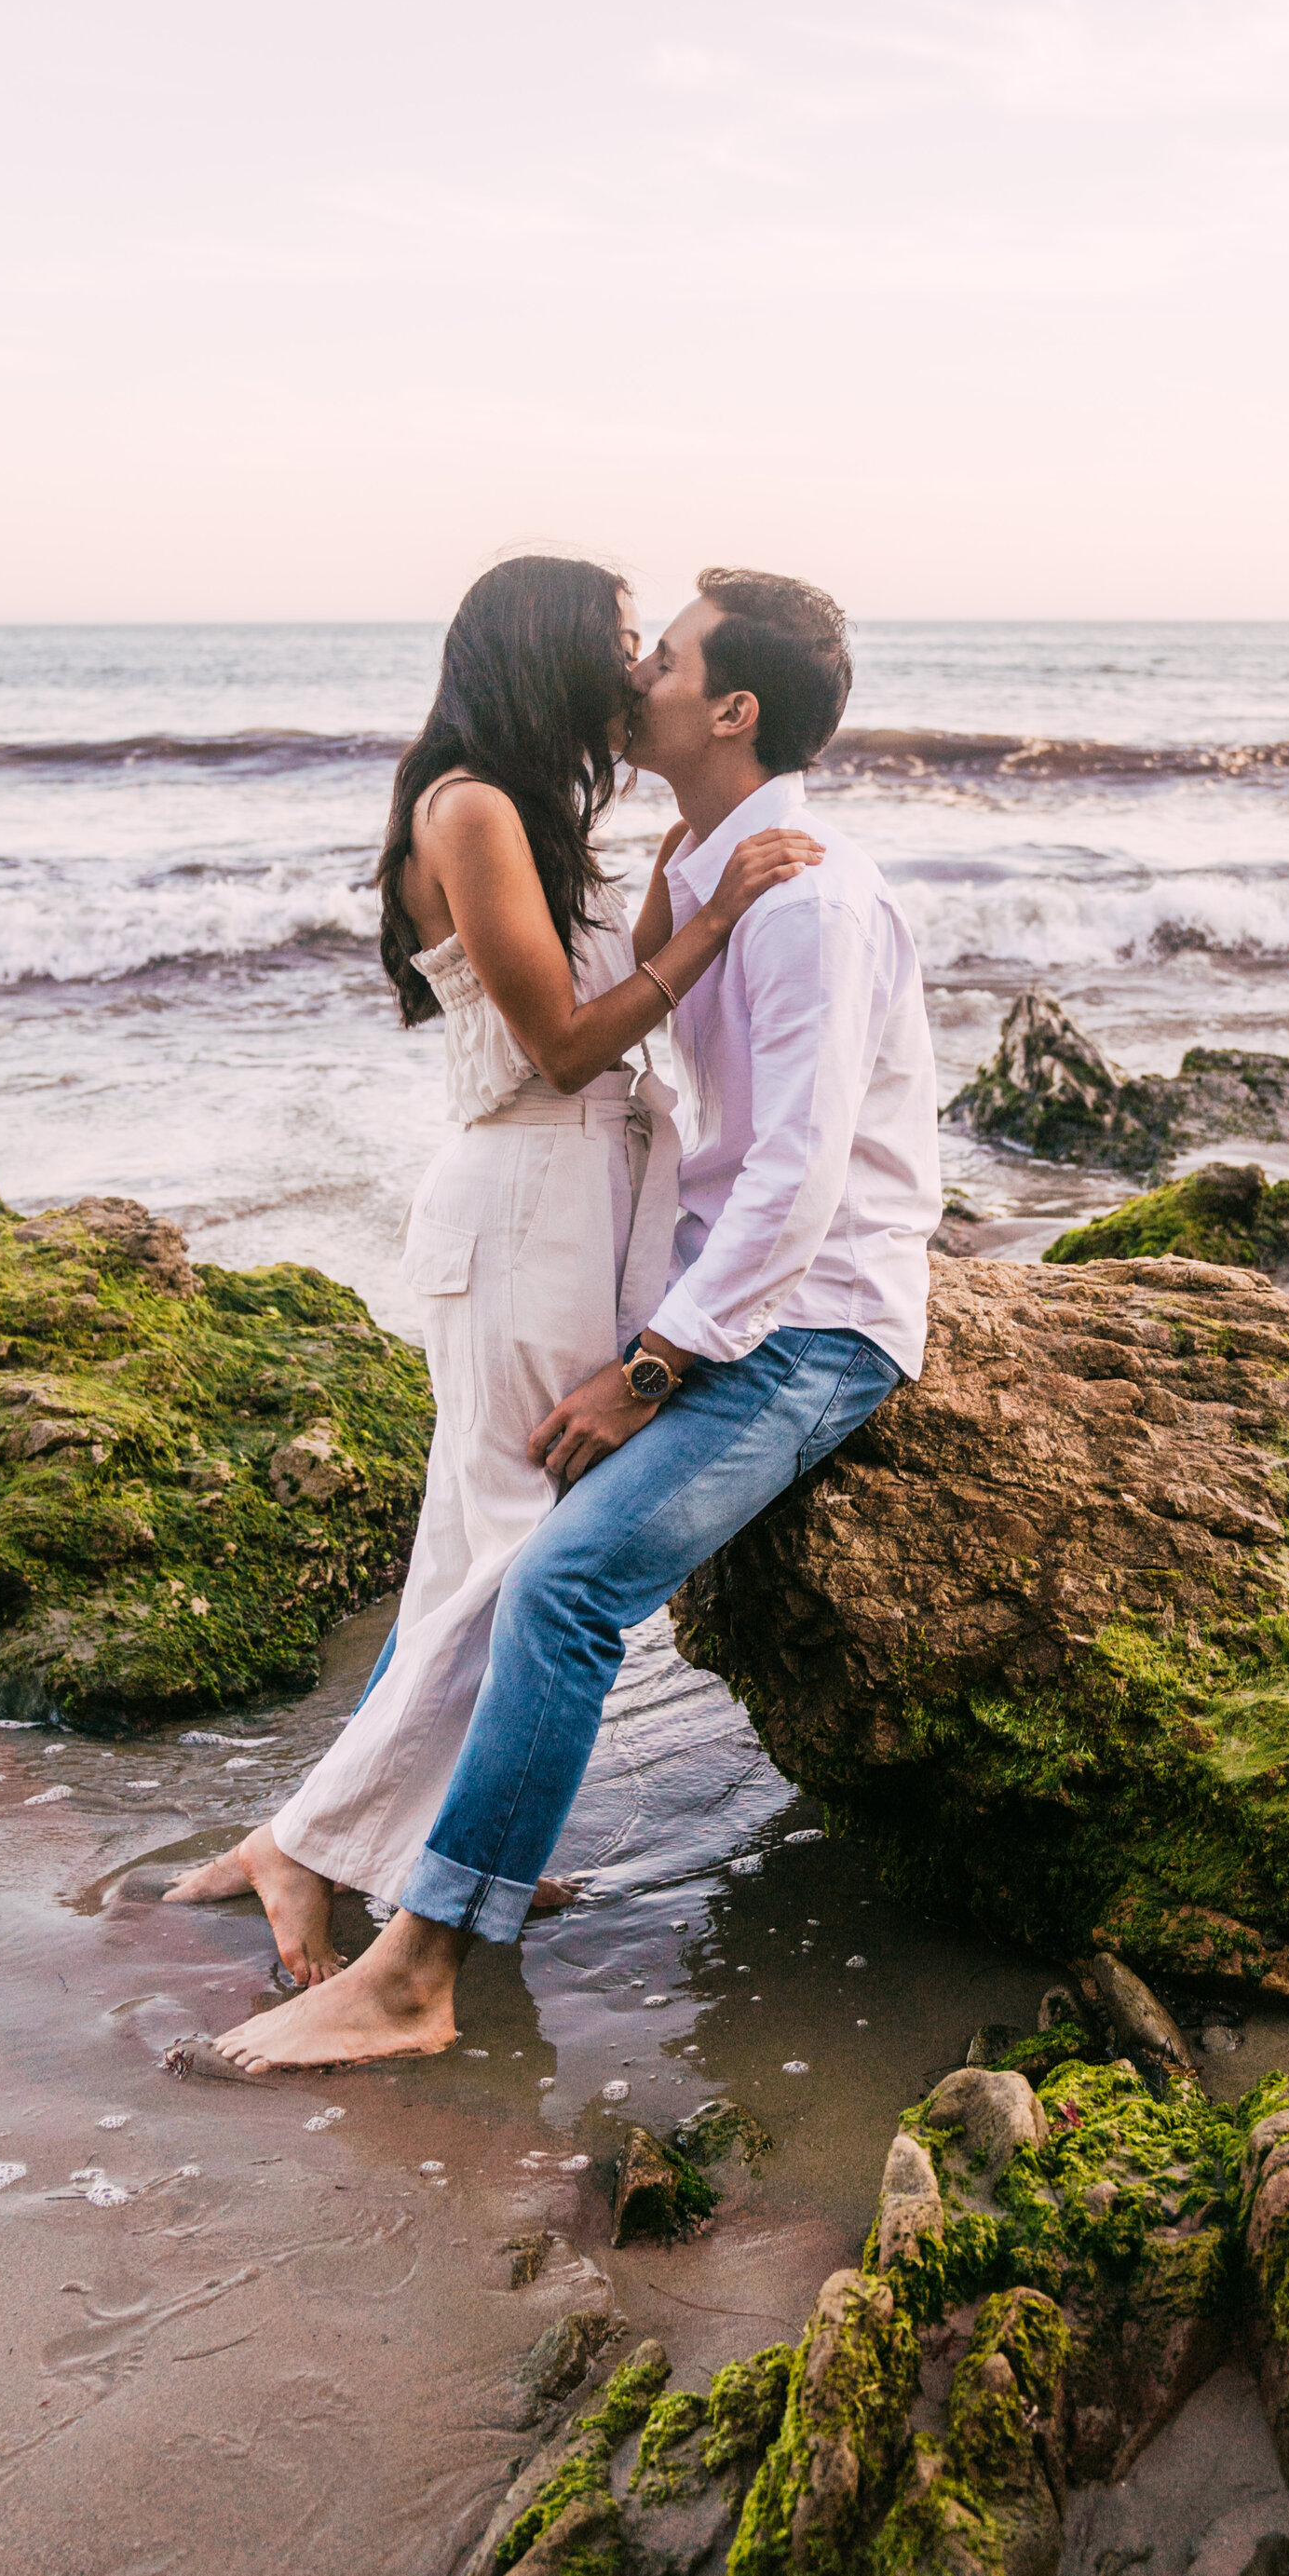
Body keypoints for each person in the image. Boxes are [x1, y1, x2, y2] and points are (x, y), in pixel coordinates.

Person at [185, 566, 938, 2074]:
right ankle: (383, 1872)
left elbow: (794, 1179)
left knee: (525, 1565)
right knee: (507, 1555)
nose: (635, 671)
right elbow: (605, 1057)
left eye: (656, 653)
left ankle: (410, 1920)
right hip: (589, 1243)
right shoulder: (699, 864)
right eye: (620, 647)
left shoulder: (794, 898)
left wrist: (654, 1360)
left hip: (786, 1315)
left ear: (729, 707)